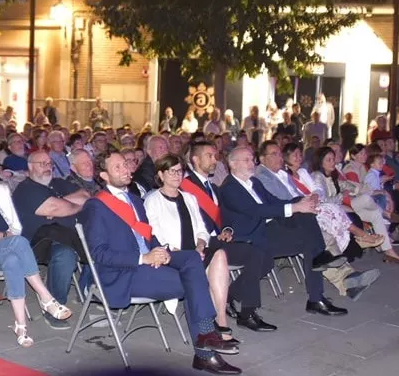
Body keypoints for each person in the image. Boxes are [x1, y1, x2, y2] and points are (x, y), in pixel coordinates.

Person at [82, 152, 241, 374]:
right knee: (193, 280)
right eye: (117, 167)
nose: (126, 169)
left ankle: (206, 339)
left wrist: (162, 250)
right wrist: (143, 258)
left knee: (193, 258)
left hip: (149, 261)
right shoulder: (96, 206)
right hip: (125, 272)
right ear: (104, 175)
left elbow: (148, 236)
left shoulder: (135, 200)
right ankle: (206, 349)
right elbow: (98, 254)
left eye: (126, 164)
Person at [0, 156, 73, 347]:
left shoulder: (1, 190)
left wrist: (0, 235)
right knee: (18, 243)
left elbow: (16, 228)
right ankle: (46, 297)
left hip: (6, 248)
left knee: (13, 259)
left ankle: (21, 326)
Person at [218, 146, 349, 316]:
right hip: (250, 237)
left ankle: (316, 297)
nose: (252, 163)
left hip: (268, 230)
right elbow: (258, 211)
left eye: (253, 159)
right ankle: (229, 295)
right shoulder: (229, 188)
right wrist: (295, 207)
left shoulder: (254, 182)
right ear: (233, 164)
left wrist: (301, 202)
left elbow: (274, 202)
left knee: (306, 224)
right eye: (247, 160)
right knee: (307, 239)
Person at [257, 142, 382, 298]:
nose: (279, 157)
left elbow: (302, 191)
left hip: (298, 213)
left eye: (279, 153)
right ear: (262, 158)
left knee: (323, 233)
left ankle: (348, 279)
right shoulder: (262, 176)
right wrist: (303, 202)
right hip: (281, 222)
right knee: (319, 235)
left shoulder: (280, 173)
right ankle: (348, 274)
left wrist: (308, 200)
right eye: (273, 154)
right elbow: (280, 201)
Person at [145, 153, 244, 341]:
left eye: (180, 171)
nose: (177, 175)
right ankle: (208, 329)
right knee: (200, 264)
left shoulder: (189, 198)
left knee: (220, 255)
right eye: (171, 171)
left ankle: (221, 322)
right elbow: (155, 234)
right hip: (172, 256)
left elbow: (202, 228)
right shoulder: (153, 201)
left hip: (194, 253)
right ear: (161, 174)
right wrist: (179, 252)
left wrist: (200, 245)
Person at [178, 142, 275, 331]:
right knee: (255, 254)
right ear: (195, 160)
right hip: (201, 244)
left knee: (264, 256)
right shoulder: (186, 187)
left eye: (215, 156)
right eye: (210, 156)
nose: (215, 160)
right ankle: (247, 313)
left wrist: (228, 229)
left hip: (219, 240)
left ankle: (230, 296)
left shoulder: (213, 187)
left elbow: (224, 218)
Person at [12, 150, 89, 329]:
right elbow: (55, 208)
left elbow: (86, 196)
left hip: (69, 235)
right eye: (42, 164)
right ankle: (53, 306)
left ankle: (92, 291)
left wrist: (61, 203)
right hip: (36, 242)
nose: (48, 168)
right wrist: (63, 206)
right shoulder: (25, 189)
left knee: (101, 241)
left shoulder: (58, 183)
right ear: (30, 167)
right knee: (65, 255)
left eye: (50, 164)